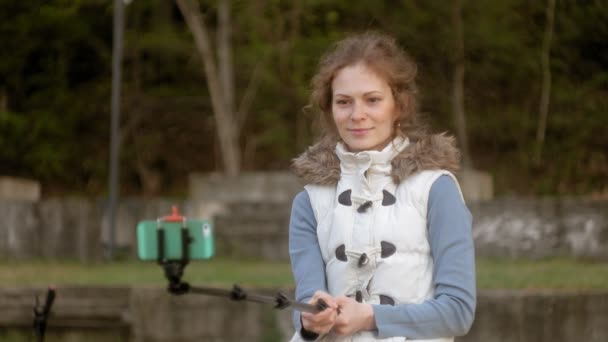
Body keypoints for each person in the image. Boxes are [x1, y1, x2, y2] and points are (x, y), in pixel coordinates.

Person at [288, 32, 476, 342]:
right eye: (344, 102)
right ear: (330, 109)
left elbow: (458, 312)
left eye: (372, 100)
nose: (357, 115)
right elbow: (305, 304)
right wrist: (310, 319)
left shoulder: (437, 189)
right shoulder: (308, 202)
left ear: (398, 105)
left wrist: (371, 317)